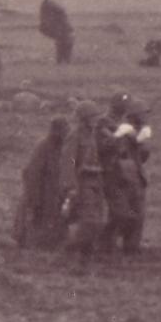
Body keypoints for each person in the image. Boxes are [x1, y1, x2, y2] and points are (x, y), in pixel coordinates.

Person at [100, 93, 151, 254]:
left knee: (138, 214)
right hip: (115, 175)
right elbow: (103, 149)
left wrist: (141, 140)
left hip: (133, 174)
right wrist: (118, 136)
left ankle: (131, 248)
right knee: (120, 214)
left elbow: (142, 156)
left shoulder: (129, 126)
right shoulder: (103, 123)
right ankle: (105, 245)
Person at [13, 116, 71, 250]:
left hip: (55, 190)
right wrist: (35, 198)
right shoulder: (43, 147)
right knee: (34, 217)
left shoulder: (63, 147)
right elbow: (32, 173)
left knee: (55, 219)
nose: (65, 134)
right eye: (62, 131)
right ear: (55, 131)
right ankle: (28, 244)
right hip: (41, 189)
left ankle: (51, 244)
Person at [61, 101, 107, 270]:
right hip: (83, 182)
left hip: (95, 181)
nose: (96, 120)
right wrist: (71, 186)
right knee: (87, 220)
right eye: (92, 117)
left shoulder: (92, 135)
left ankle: (86, 254)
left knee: (97, 219)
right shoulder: (75, 136)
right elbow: (69, 162)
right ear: (84, 119)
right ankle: (75, 254)